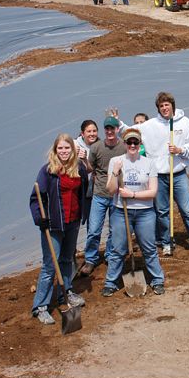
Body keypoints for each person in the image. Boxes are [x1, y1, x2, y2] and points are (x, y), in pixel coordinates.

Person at [117, 92, 189, 256]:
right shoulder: (150, 125)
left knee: (187, 210)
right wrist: (118, 122)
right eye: (161, 106)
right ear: (158, 108)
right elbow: (129, 131)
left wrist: (179, 150)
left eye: (167, 105)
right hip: (159, 176)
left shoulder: (185, 123)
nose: (164, 108)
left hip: (178, 174)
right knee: (162, 212)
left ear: (172, 105)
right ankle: (166, 242)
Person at [29, 134, 88, 325]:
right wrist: (40, 219)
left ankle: (66, 293)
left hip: (72, 222)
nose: (63, 151)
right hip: (53, 225)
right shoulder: (47, 171)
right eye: (60, 148)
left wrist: (83, 214)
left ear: (72, 149)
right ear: (55, 150)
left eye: (67, 148)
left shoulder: (78, 168)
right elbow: (35, 198)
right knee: (49, 266)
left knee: (66, 259)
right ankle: (40, 307)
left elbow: (83, 192)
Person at [101, 128, 165, 296]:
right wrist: (115, 172)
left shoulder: (149, 163)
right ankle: (111, 282)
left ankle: (157, 280)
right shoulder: (116, 161)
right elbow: (110, 190)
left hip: (145, 212)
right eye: (129, 142)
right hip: (121, 211)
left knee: (149, 248)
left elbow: (153, 192)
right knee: (118, 249)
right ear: (125, 143)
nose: (132, 145)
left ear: (140, 144)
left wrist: (132, 194)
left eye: (135, 142)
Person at [80, 116, 126, 276]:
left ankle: (109, 254)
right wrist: (84, 161)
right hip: (99, 194)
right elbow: (90, 168)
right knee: (93, 230)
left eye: (112, 128)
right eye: (107, 128)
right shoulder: (96, 147)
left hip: (117, 195)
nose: (110, 131)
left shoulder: (125, 146)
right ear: (104, 130)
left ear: (117, 129)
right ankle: (90, 259)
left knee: (114, 229)